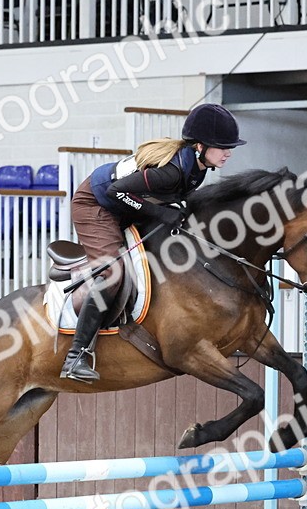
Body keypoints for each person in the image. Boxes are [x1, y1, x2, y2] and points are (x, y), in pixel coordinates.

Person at [59, 103, 246, 383]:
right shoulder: (172, 171)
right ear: (199, 146)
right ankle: (76, 356)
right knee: (112, 273)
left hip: (124, 204)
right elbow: (116, 191)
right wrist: (160, 212)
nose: (228, 152)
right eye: (222, 147)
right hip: (96, 204)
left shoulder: (198, 168)